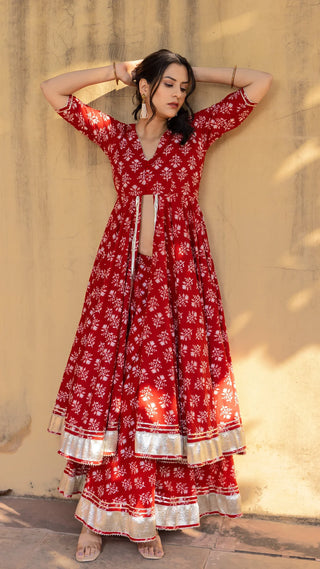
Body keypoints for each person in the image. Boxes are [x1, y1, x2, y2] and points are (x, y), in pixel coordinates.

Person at [41, 49, 272, 562]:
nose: (178, 94)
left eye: (184, 88)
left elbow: (260, 81)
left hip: (178, 280)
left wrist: (197, 70)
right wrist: (121, 70)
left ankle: (152, 515)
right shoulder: (118, 138)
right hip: (119, 281)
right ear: (145, 87)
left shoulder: (196, 134)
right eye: (168, 84)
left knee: (162, 391)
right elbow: (53, 91)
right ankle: (96, 519)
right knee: (112, 386)